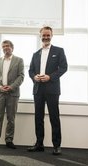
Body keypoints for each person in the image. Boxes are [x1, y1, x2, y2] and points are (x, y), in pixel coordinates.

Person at [27, 26, 68, 155]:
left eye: (48, 35)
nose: (45, 37)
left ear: (51, 35)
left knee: (54, 117)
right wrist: (34, 77)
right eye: (43, 35)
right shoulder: (36, 54)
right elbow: (30, 70)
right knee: (38, 117)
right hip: (38, 89)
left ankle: (57, 145)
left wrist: (50, 77)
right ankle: (39, 144)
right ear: (40, 36)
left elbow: (63, 67)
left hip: (52, 89)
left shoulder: (59, 51)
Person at [0, 40, 24, 149]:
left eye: (7, 46)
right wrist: (0, 87)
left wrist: (11, 87)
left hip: (13, 93)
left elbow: (21, 76)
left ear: (12, 48)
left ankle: (9, 140)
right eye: (3, 46)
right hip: (0, 92)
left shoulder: (19, 60)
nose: (5, 48)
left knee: (11, 118)